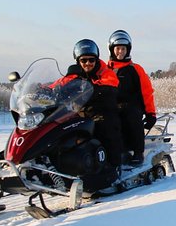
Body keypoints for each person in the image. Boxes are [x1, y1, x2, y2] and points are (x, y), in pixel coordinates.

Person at [52, 39, 124, 187]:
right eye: (83, 60)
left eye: (91, 60)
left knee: (105, 127)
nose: (87, 64)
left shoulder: (105, 71)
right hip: (80, 112)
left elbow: (111, 83)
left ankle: (113, 166)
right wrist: (44, 89)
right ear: (78, 61)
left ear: (96, 60)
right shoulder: (74, 74)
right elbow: (59, 84)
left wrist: (96, 89)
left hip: (103, 110)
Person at [106, 30, 157, 165]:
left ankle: (138, 152)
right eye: (117, 49)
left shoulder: (135, 69)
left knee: (132, 117)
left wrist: (151, 113)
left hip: (131, 106)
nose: (120, 52)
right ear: (112, 49)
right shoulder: (105, 70)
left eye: (123, 49)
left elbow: (147, 92)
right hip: (111, 106)